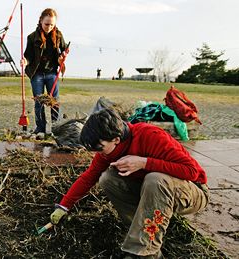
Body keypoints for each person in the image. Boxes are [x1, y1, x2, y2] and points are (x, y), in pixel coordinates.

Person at [50, 108, 209, 258]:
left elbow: (192, 172)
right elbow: (88, 177)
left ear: (116, 139)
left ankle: (147, 253)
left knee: (155, 179)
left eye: (101, 148)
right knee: (108, 178)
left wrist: (145, 163)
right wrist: (63, 206)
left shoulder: (151, 136)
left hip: (192, 192)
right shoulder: (108, 149)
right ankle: (140, 233)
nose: (99, 153)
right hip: (155, 192)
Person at [21, 8, 67, 138]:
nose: (49, 27)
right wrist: (25, 61)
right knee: (39, 101)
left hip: (52, 73)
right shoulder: (32, 37)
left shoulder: (58, 35)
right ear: (41, 21)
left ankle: (55, 128)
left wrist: (63, 55)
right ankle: (40, 128)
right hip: (37, 74)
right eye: (47, 24)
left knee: (54, 101)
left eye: (52, 24)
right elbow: (28, 56)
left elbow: (64, 49)